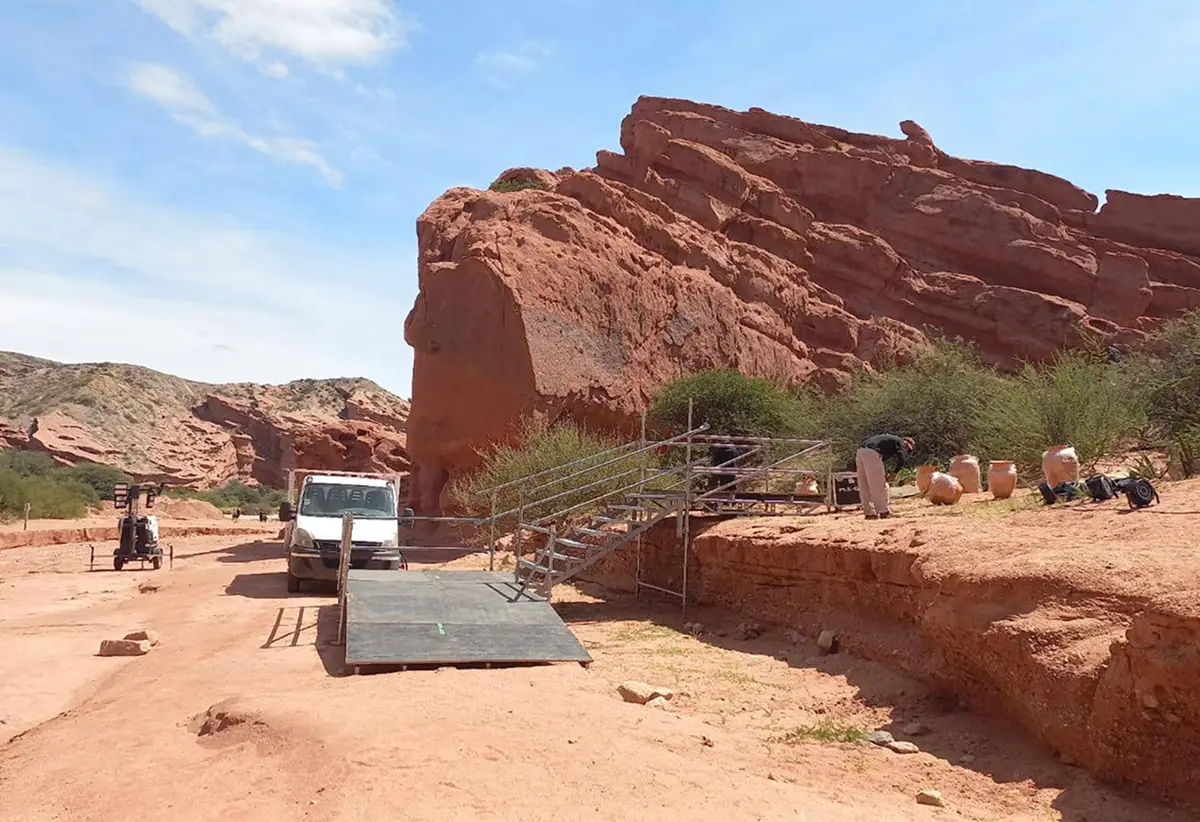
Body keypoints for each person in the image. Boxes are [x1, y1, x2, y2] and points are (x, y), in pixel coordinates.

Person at [855, 434, 915, 519]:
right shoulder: (900, 441)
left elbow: (877, 461)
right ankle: (884, 512)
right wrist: (895, 472)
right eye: (907, 449)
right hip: (872, 452)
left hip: (861, 451)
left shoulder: (889, 443)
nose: (906, 450)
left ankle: (869, 513)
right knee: (879, 485)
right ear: (906, 443)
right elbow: (901, 458)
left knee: (864, 485)